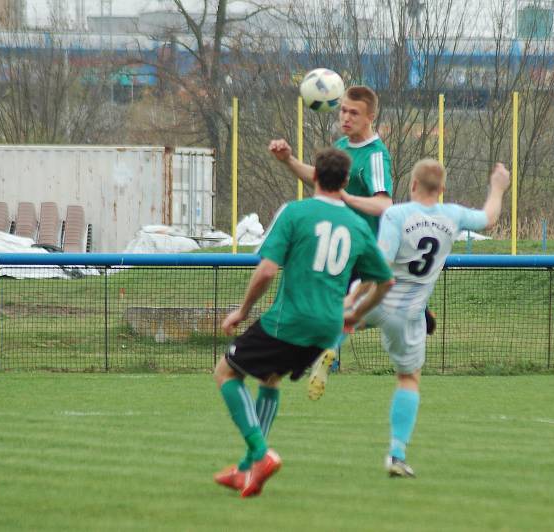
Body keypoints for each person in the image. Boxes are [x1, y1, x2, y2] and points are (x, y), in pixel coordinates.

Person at [213, 147, 395, 497]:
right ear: (344, 182)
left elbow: (266, 270)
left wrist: (243, 310)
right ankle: (248, 471)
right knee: (270, 378)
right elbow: (384, 280)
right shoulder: (358, 225)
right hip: (327, 329)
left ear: (314, 177)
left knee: (225, 372)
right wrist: (355, 312)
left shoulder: (295, 213)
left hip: (291, 320)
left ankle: (259, 453)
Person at [345, 159, 510, 477]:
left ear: (412, 186)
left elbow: (379, 263)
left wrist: (354, 297)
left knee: (348, 313)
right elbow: (489, 218)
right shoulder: (453, 215)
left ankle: (333, 339)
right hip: (408, 314)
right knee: (408, 379)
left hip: (376, 300)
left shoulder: (397, 214)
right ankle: (396, 454)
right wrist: (498, 186)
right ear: (442, 190)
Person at [270, 86, 435, 398]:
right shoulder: (342, 146)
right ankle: (327, 349)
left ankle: (324, 348)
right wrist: (289, 160)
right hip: (342, 246)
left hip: (365, 248)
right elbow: (321, 177)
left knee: (343, 307)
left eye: (353, 112)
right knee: (337, 307)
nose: (345, 117)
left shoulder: (375, 155)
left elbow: (384, 204)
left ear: (370, 118)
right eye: (343, 110)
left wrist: (346, 197)